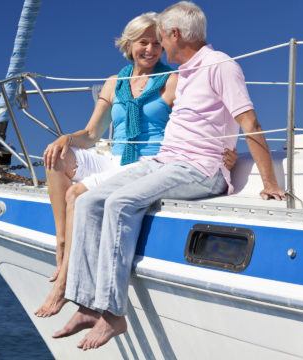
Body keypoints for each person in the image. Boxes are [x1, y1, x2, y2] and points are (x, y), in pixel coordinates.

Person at [54, 1, 285, 350]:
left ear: (174, 34)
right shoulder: (188, 71)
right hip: (166, 160)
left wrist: (269, 183)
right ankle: (86, 303)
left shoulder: (220, 66)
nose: (159, 44)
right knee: (89, 200)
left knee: (120, 203)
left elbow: (249, 121)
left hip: (199, 169)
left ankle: (113, 314)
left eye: (161, 36)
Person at [35, 12, 236, 318]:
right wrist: (65, 138)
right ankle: (62, 244)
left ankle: (63, 283)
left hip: (147, 161)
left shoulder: (172, 80)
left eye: (157, 43)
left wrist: (226, 149)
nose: (151, 50)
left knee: (78, 193)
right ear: (129, 45)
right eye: (144, 42)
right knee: (53, 157)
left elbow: (206, 116)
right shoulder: (114, 83)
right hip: (113, 156)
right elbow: (91, 135)